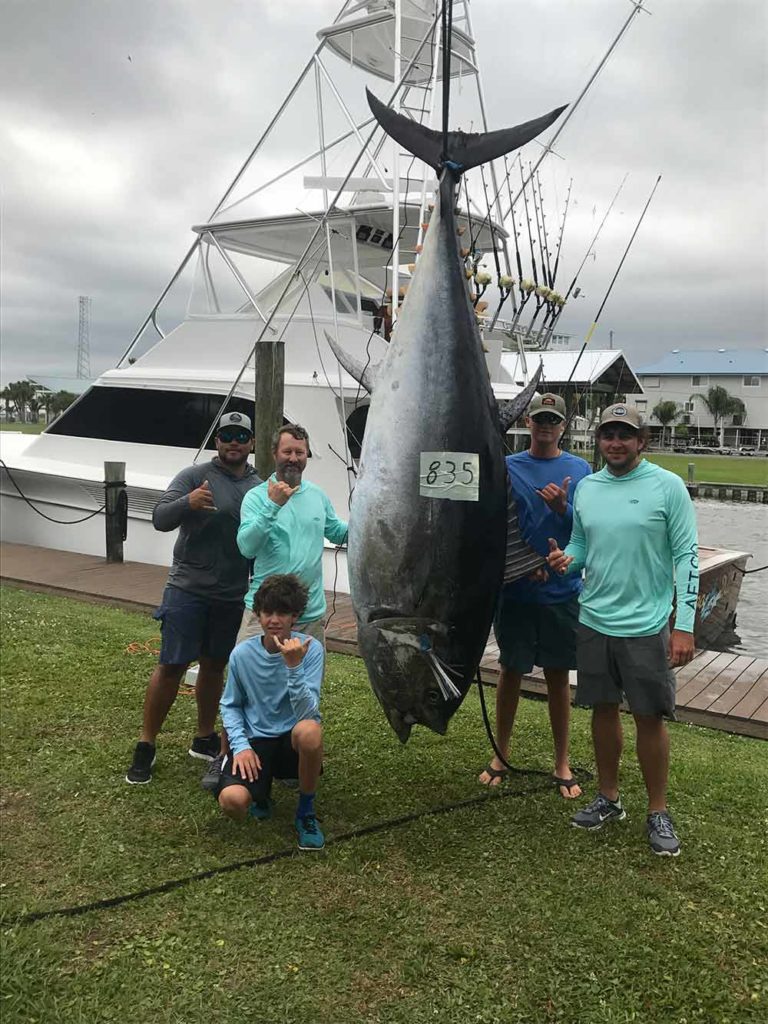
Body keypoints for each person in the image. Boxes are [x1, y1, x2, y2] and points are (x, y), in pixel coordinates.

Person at [546, 403, 698, 857]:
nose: (615, 442)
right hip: (594, 619)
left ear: (642, 441)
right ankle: (609, 798)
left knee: (650, 717)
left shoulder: (668, 487)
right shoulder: (588, 488)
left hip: (647, 624)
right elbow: (580, 542)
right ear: (599, 440)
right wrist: (567, 560)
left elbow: (687, 556)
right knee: (603, 709)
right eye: (608, 434)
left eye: (625, 435)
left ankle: (658, 811)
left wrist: (683, 626)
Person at [125, 411, 260, 785]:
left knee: (215, 666)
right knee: (172, 665)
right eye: (226, 435)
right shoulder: (192, 476)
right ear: (217, 441)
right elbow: (159, 518)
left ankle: (203, 737)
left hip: (232, 594)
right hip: (187, 589)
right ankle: (146, 744)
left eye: (241, 436)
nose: (233, 441)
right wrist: (189, 502)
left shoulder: (260, 485)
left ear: (251, 444)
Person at [478, 393, 591, 797]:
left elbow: (588, 529)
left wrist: (563, 508)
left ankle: (562, 761)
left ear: (563, 425)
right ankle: (501, 754)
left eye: (553, 420)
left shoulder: (579, 468)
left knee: (559, 678)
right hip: (517, 590)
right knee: (510, 672)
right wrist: (525, 565)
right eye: (540, 418)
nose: (545, 425)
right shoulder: (505, 467)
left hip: (562, 592)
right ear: (528, 421)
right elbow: (491, 523)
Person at [213, 574, 326, 851]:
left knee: (310, 731)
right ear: (258, 615)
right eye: (268, 612)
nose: (274, 619)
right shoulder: (242, 654)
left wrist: (293, 666)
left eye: (283, 612)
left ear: (295, 617)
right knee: (233, 802)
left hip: (291, 739)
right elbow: (230, 705)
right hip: (256, 740)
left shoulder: (311, 650)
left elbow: (307, 711)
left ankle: (306, 812)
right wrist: (240, 747)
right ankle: (261, 796)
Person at [236, 423, 348, 646]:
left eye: (300, 452)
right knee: (253, 680)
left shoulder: (317, 495)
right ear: (274, 453)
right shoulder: (256, 497)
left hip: (309, 616)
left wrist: (373, 524)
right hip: (266, 615)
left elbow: (337, 532)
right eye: (287, 452)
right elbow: (246, 547)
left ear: (307, 454)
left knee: (305, 680)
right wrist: (273, 506)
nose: (294, 459)